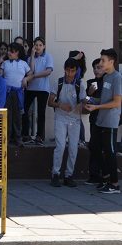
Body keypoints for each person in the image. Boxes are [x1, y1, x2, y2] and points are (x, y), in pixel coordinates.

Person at [83, 48, 121, 194]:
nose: (100, 63)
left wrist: (97, 106)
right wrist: (91, 99)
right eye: (100, 60)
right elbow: (104, 99)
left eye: (103, 60)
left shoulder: (117, 78)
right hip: (100, 120)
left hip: (110, 121)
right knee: (94, 146)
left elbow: (117, 102)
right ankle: (106, 177)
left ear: (111, 62)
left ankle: (114, 184)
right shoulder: (105, 77)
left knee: (110, 152)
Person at [49, 58, 85, 188]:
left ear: (76, 71)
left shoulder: (80, 84)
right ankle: (55, 174)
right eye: (68, 70)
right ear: (64, 69)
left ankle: (69, 175)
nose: (70, 73)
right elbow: (50, 101)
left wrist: (82, 104)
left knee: (73, 148)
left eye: (73, 71)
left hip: (75, 119)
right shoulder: (58, 82)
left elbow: (83, 102)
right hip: (60, 118)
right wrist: (60, 105)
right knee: (60, 146)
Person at [24, 37, 54, 145]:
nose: (38, 47)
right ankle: (26, 134)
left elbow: (48, 71)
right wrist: (32, 55)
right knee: (25, 110)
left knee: (41, 113)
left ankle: (39, 136)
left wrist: (35, 76)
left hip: (43, 89)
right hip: (31, 88)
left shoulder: (48, 56)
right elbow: (31, 70)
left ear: (44, 46)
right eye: (36, 45)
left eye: (40, 45)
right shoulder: (29, 58)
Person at [1, 43, 32, 146]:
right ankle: (7, 138)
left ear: (17, 52)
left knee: (18, 116)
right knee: (7, 115)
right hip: (7, 93)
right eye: (8, 51)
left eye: (11, 51)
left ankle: (18, 138)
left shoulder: (23, 63)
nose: (9, 53)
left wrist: (26, 79)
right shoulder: (5, 63)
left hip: (18, 92)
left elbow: (31, 73)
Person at [84, 58, 105, 185]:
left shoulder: (109, 81)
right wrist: (89, 93)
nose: (96, 70)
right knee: (93, 145)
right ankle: (94, 174)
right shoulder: (90, 82)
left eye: (99, 67)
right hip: (94, 118)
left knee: (105, 147)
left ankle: (105, 174)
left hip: (106, 118)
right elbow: (86, 101)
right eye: (94, 68)